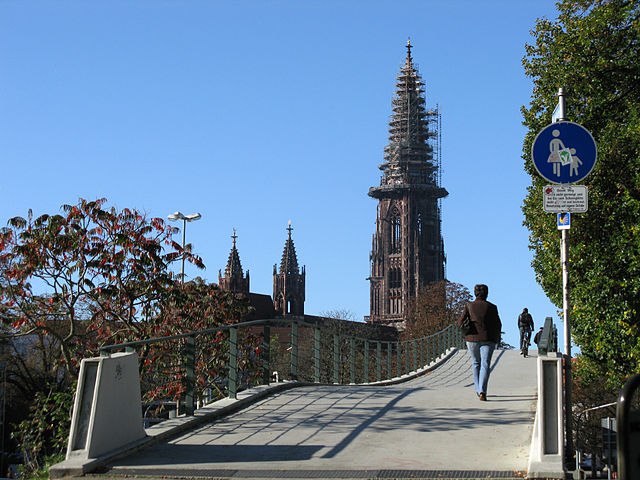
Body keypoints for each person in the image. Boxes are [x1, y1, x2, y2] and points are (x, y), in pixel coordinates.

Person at [457, 284, 502, 401]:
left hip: (472, 339)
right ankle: (482, 390)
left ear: (475, 293)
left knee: (476, 362)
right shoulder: (492, 307)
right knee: (485, 364)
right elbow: (498, 324)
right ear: (486, 293)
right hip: (488, 338)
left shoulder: (469, 305)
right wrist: (497, 339)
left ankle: (477, 389)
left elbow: (460, 322)